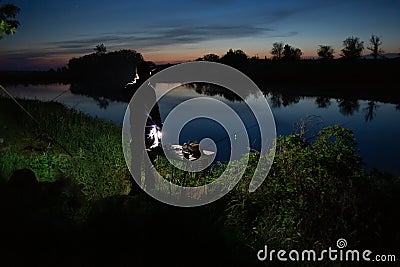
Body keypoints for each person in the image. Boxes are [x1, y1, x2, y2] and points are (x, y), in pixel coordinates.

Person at [127, 69, 162, 194]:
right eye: (148, 73)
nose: (150, 75)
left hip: (136, 128)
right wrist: (159, 125)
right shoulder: (148, 90)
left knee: (136, 158)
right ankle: (150, 187)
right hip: (148, 129)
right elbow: (155, 110)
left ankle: (136, 188)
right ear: (144, 74)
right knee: (150, 158)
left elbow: (124, 93)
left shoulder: (132, 88)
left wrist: (134, 82)